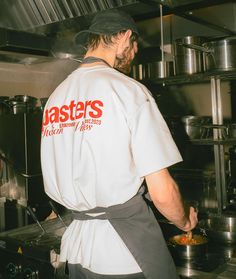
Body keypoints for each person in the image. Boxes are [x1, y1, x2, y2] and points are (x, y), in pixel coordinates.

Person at [40, 9, 198, 279]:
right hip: (123, 255)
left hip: (76, 249)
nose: (134, 51)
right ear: (124, 37)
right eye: (135, 44)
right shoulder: (128, 91)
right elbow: (161, 192)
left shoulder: (56, 97)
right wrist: (184, 220)